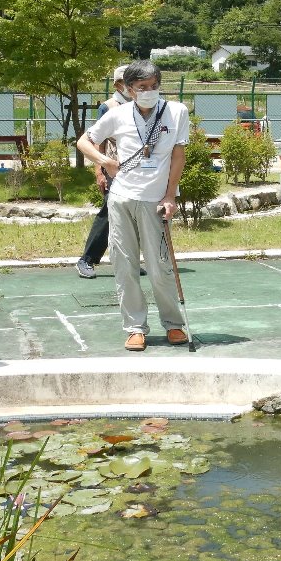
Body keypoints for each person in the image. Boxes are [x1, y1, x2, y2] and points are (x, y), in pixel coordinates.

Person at [76, 59, 189, 351]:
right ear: (129, 89)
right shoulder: (118, 114)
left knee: (159, 266)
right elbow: (84, 142)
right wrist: (104, 162)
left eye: (154, 86)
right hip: (122, 198)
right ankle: (135, 327)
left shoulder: (176, 112)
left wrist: (170, 195)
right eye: (142, 87)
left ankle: (174, 324)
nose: (149, 92)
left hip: (155, 200)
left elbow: (178, 156)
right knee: (124, 265)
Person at [75, 64, 144, 279]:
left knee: (133, 216)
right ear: (118, 84)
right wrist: (99, 170)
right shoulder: (109, 107)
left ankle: (129, 261)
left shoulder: (141, 105)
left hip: (138, 170)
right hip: (114, 169)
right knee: (108, 213)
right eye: (129, 81)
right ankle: (86, 259)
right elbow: (98, 141)